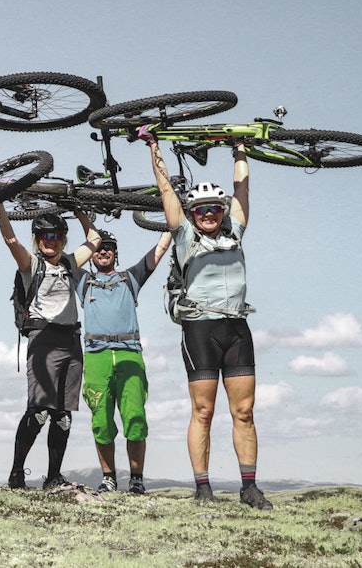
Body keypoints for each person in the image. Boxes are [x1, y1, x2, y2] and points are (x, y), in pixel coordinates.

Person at [144, 127, 272, 510]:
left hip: (237, 328)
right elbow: (166, 191)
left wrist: (240, 150)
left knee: (245, 412)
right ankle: (203, 488)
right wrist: (154, 146)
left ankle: (249, 487)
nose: (209, 214)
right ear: (192, 214)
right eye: (201, 210)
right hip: (200, 330)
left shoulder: (235, 232)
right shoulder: (185, 236)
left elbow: (243, 191)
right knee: (203, 411)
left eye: (215, 208)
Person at [0, 206, 99, 490]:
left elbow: (95, 240)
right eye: (43, 235)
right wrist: (0, 205)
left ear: (63, 239)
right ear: (37, 239)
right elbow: (10, 240)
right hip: (43, 338)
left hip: (71, 340)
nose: (49, 240)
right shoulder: (31, 264)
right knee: (38, 411)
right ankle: (17, 472)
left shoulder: (69, 263)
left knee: (63, 416)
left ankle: (53, 476)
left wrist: (80, 210)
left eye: (55, 235)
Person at [78, 229, 172, 495]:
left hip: (129, 353)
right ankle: (108, 478)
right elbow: (60, 258)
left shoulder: (130, 278)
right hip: (96, 355)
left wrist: (173, 221)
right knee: (101, 420)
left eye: (108, 247)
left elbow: (159, 251)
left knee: (135, 417)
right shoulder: (82, 280)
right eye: (98, 247)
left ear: (116, 253)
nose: (103, 251)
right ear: (90, 254)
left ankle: (136, 479)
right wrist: (84, 219)